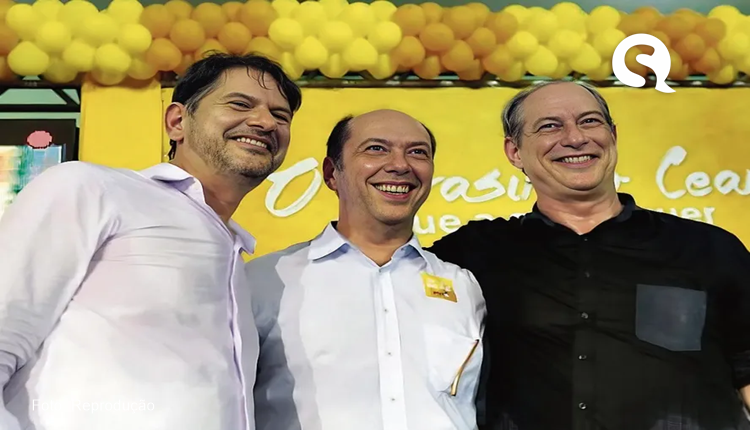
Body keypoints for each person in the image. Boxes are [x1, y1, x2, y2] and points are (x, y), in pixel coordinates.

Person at [0, 53, 302, 430]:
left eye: (280, 115)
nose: (265, 122)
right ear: (177, 121)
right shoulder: (92, 188)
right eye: (240, 104)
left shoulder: (234, 256)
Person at [427, 80, 750, 430]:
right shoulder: (472, 253)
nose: (576, 138)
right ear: (514, 152)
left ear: (613, 135)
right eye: (550, 126)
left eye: (590, 121)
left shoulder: (707, 249)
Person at [246, 109, 486, 430]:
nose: (400, 165)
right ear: (332, 173)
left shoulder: (465, 287)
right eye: (376, 149)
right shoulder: (266, 280)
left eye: (417, 152)